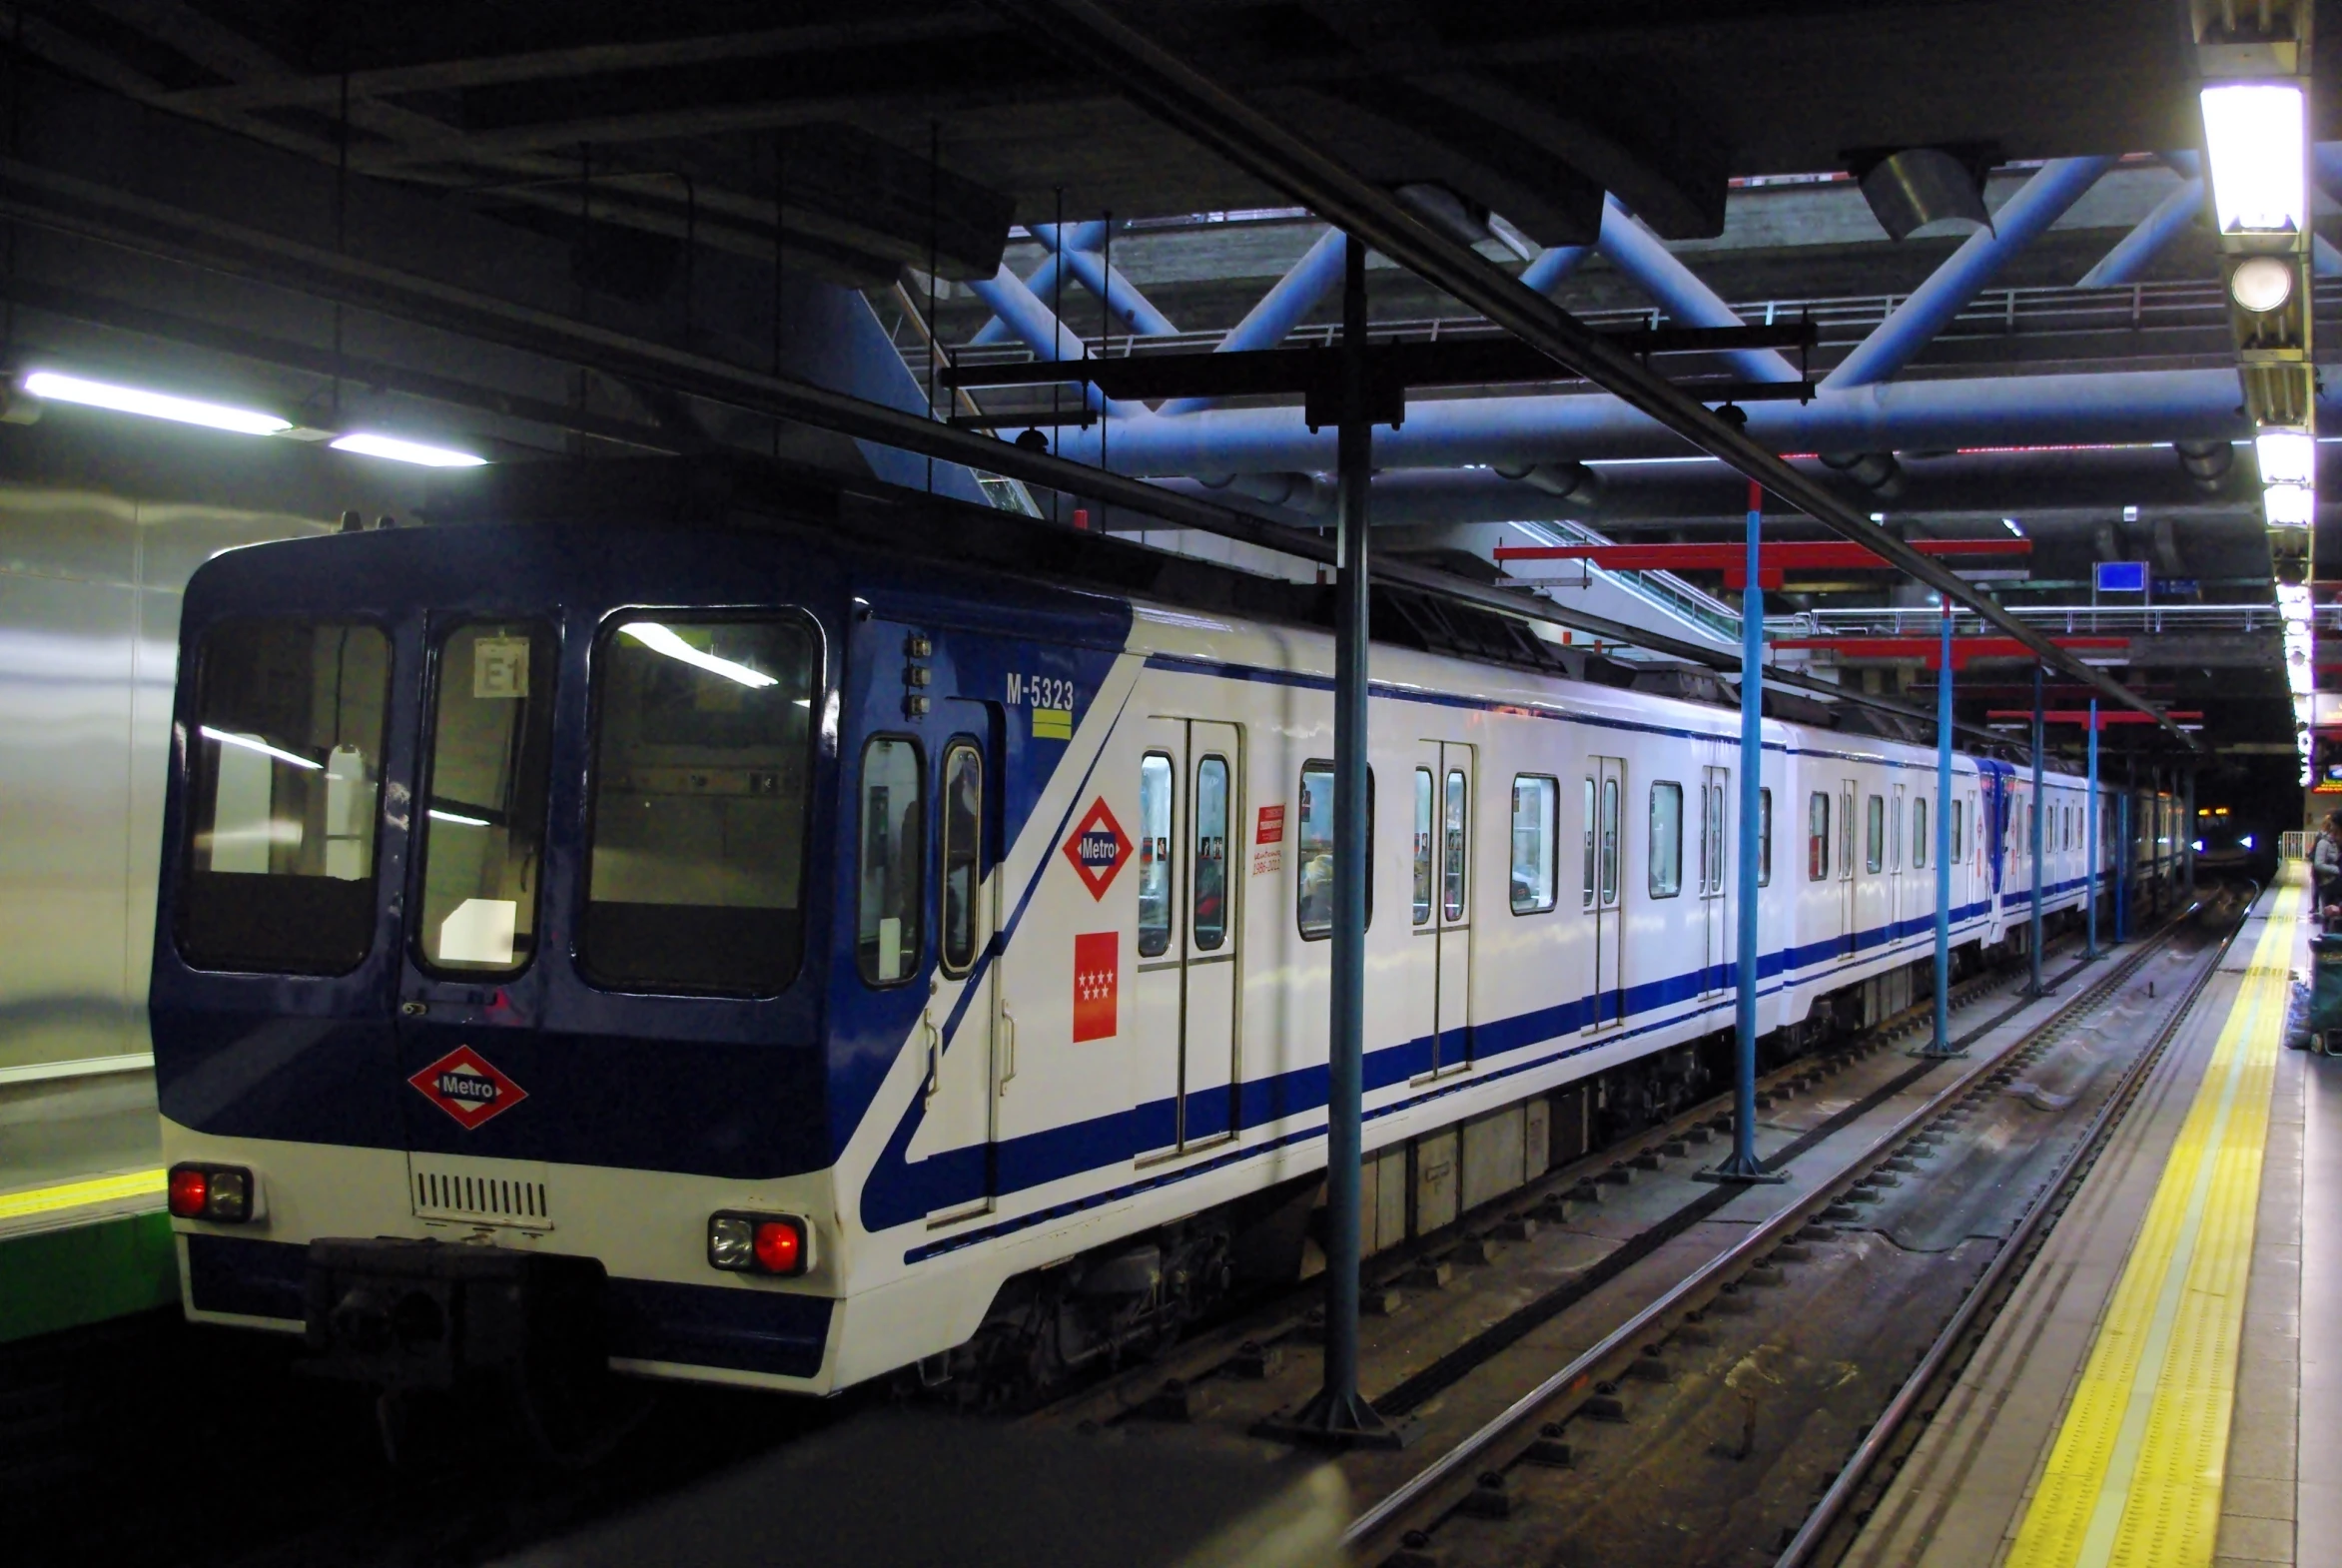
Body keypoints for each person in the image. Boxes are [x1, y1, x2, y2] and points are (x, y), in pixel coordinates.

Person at [2315, 813, 2342, 927]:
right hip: (2329, 885)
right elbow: (2318, 864)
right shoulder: (2324, 843)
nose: (2335, 837)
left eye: (2337, 832)